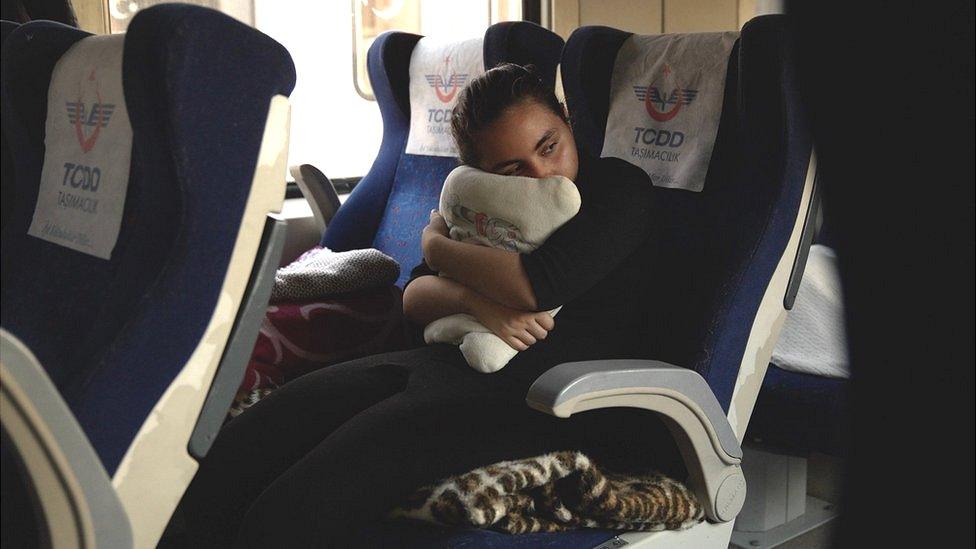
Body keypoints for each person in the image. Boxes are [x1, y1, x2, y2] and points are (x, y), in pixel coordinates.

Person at [181, 63, 682, 548]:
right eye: (511, 170)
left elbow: (537, 287)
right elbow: (415, 298)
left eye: (549, 147)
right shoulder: (483, 211)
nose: (541, 175)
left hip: (550, 395)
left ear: (566, 120)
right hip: (446, 366)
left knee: (292, 508)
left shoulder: (617, 189)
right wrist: (472, 301)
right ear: (481, 175)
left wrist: (437, 247)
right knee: (248, 443)